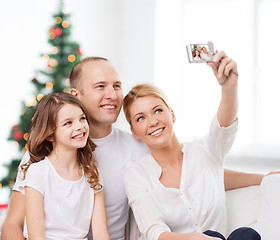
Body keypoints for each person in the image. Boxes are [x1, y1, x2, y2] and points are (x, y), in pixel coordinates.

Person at [1, 56, 265, 240]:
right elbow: (12, 225)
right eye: (100, 86)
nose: (112, 94)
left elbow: (197, 171)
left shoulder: (137, 147)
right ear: (76, 95)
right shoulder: (44, 156)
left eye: (116, 86)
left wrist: (263, 179)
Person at [122, 51, 261, 239]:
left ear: (172, 114)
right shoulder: (136, 174)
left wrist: (229, 87)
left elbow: (224, 128)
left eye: (158, 111)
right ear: (134, 132)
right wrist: (198, 238)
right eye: (140, 118)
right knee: (214, 235)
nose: (153, 121)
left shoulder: (205, 153)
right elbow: (155, 232)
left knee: (245, 235)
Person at [21, 92, 110, 239]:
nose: (80, 126)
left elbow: (101, 234)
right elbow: (36, 237)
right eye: (68, 123)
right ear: (50, 134)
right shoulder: (38, 173)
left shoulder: (93, 174)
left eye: (82, 118)